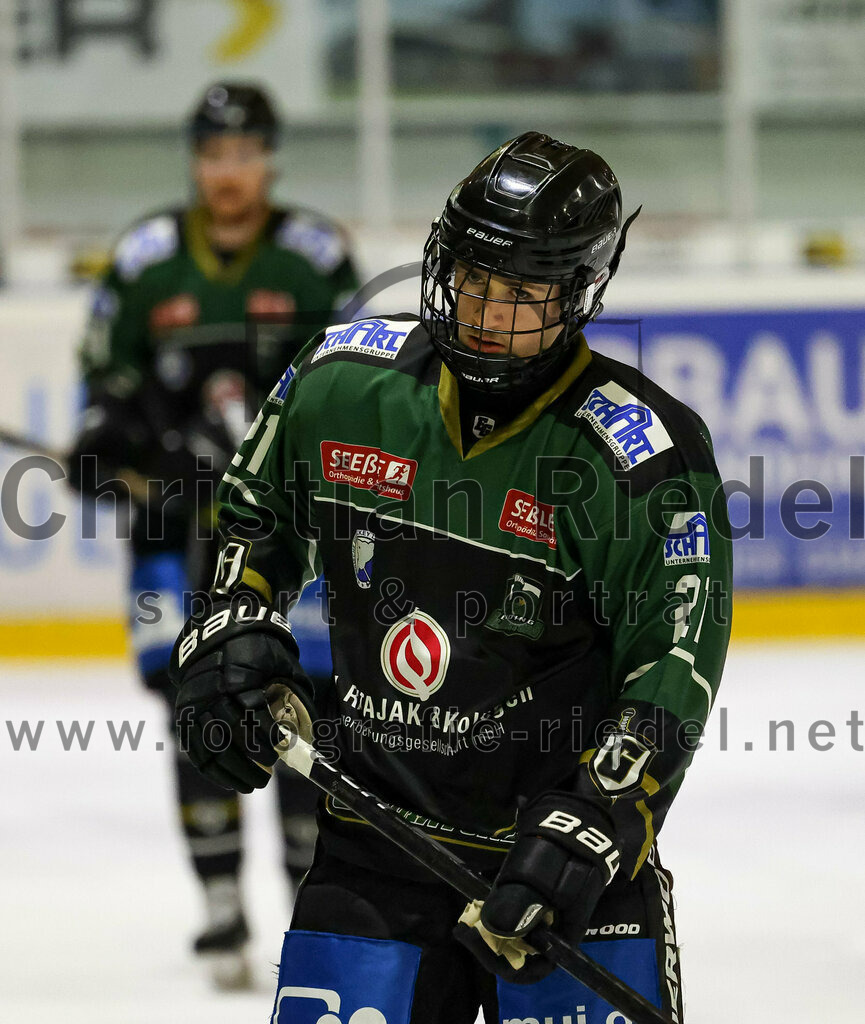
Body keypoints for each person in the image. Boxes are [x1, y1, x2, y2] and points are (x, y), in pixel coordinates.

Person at [170, 131, 732, 1022]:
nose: (483, 309)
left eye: (519, 292)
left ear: (577, 294)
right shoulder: (338, 382)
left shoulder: (636, 455)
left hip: (556, 867)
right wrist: (232, 621)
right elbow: (255, 516)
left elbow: (670, 663)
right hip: (372, 848)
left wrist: (599, 814)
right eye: (472, 275)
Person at [68, 81, 359, 988]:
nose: (227, 173)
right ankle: (222, 904)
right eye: (212, 155)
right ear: (194, 161)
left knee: (309, 703)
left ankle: (311, 901)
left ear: (268, 158)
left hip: (293, 536)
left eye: (243, 155)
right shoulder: (149, 260)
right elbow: (103, 399)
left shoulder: (316, 259)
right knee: (191, 697)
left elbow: (362, 392)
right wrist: (126, 445)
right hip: (171, 531)